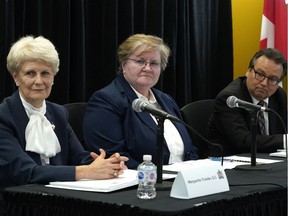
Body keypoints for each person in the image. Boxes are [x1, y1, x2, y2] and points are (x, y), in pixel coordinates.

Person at [0, 35, 128, 198]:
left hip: (57, 199)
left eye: (45, 73)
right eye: (30, 73)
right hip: (17, 202)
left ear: (53, 77)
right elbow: (25, 173)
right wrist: (86, 171)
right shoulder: (4, 116)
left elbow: (79, 157)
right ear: (16, 78)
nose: (39, 81)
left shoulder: (58, 113)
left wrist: (108, 164)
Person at [83, 34, 198, 169]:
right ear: (124, 65)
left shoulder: (166, 100)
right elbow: (114, 156)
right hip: (142, 183)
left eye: (154, 63)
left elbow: (191, 148)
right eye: (140, 61)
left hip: (182, 179)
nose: (148, 68)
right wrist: (151, 177)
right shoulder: (106, 100)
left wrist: (192, 172)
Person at [208, 48, 287, 156]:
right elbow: (243, 141)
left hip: (268, 162)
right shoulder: (229, 98)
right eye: (260, 74)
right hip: (231, 163)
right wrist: (284, 140)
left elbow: (283, 128)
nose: (264, 83)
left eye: (272, 79)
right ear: (249, 71)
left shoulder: (278, 95)